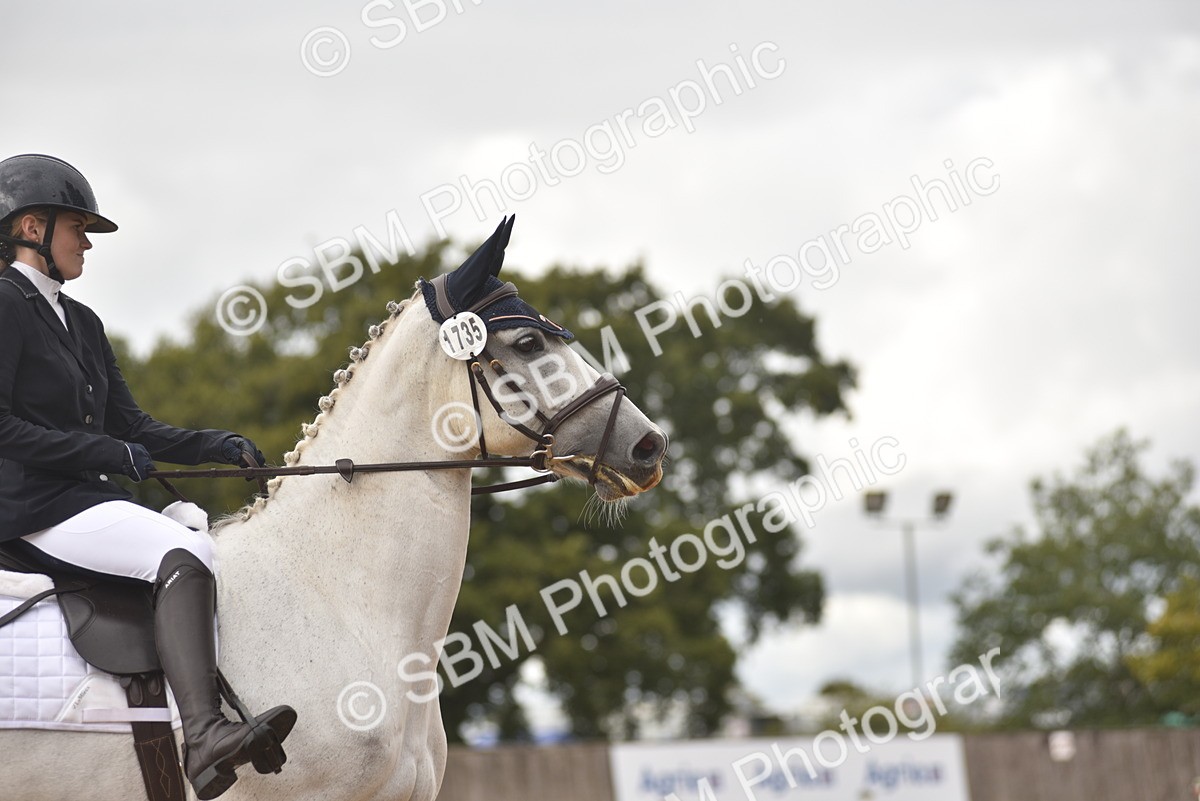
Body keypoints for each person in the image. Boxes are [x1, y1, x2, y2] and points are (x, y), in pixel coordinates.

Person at [0, 154, 295, 800]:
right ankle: (206, 734)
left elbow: (134, 426)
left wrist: (214, 444)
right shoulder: (4, 307)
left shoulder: (82, 322)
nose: (86, 243)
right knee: (182, 548)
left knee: (193, 535)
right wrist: (95, 452)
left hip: (82, 498)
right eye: (77, 227)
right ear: (29, 227)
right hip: (32, 505)